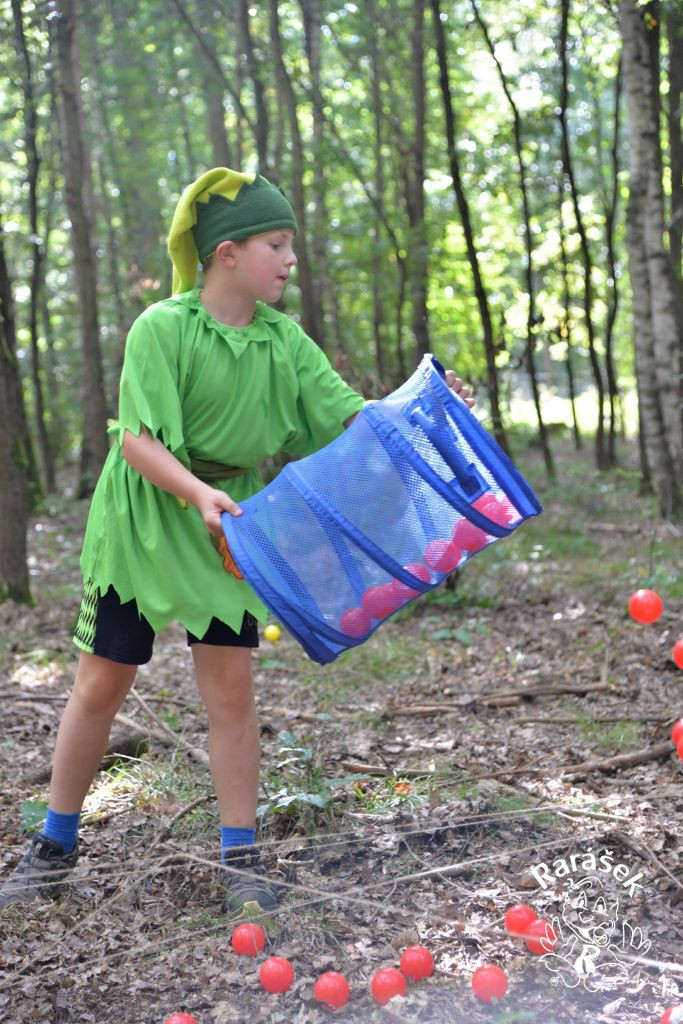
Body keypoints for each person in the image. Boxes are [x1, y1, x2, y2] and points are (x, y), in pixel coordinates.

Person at [0, 167, 473, 914]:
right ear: (227, 252)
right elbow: (137, 441)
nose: (290, 259)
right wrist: (196, 494)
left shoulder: (285, 343)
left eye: (290, 244)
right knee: (102, 684)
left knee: (230, 691)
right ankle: (54, 847)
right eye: (275, 244)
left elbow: (354, 419)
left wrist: (426, 410)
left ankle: (240, 858)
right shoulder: (163, 328)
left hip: (231, 524)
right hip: (144, 520)